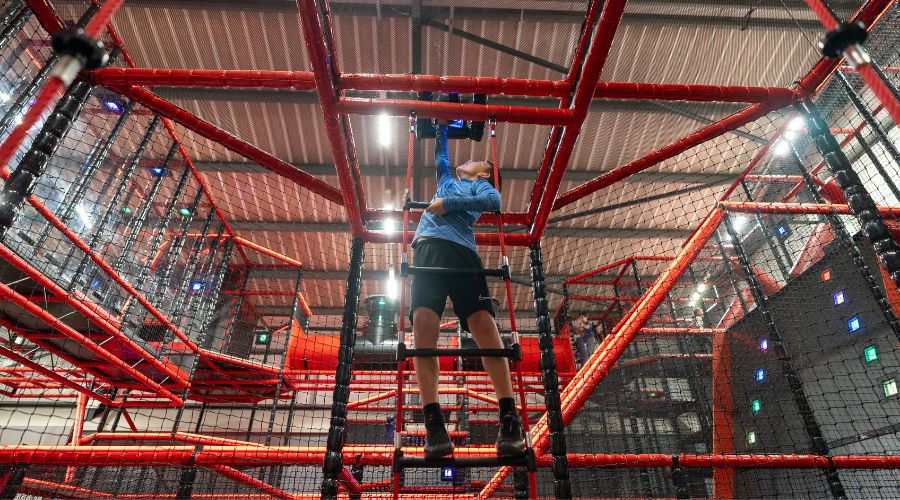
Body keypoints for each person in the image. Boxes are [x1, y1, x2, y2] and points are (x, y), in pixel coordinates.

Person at [410, 119, 523, 460]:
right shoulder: (447, 179)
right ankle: (434, 424)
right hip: (428, 247)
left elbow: (496, 202)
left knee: (484, 327)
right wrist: (442, 128)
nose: (467, 160)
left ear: (485, 171)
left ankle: (508, 416)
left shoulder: (480, 189)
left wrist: (449, 206)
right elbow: (440, 158)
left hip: (462, 253)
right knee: (423, 329)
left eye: (476, 161)